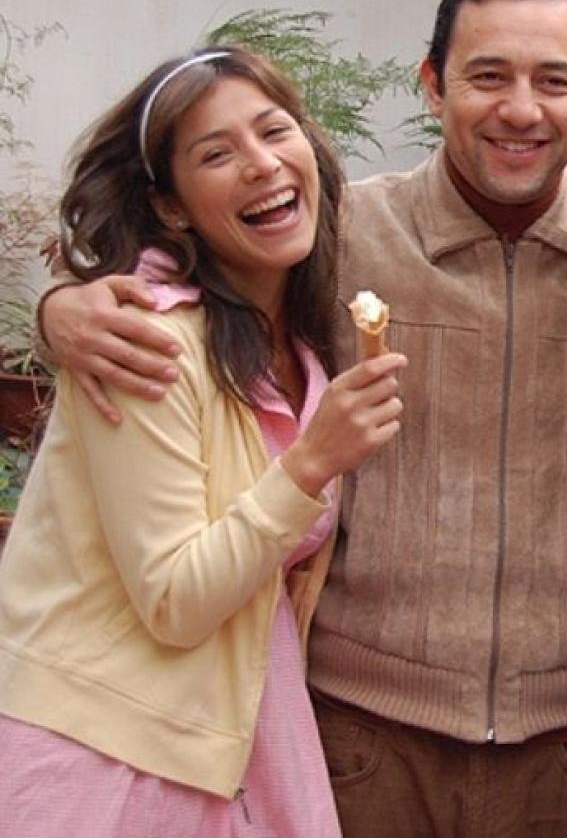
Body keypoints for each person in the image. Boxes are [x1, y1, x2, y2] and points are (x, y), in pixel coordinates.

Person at [36, 0, 567, 838]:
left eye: (553, 82)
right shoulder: (339, 233)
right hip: (359, 740)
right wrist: (63, 309)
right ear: (432, 85)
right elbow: (191, 272)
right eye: (487, 76)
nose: (522, 110)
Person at [0, 47, 405, 836]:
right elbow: (175, 600)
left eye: (274, 131)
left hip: (238, 730)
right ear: (172, 206)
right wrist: (313, 463)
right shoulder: (143, 343)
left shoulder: (302, 335)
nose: (261, 164)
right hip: (113, 752)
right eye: (216, 154)